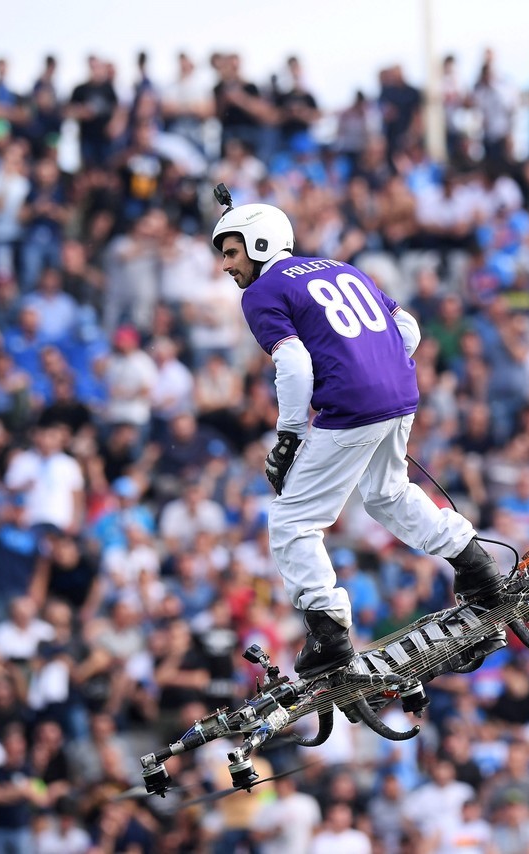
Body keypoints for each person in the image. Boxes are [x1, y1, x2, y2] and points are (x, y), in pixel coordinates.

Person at [211, 193, 503, 677]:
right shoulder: (340, 267)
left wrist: (288, 435)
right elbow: (406, 328)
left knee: (293, 520)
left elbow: (294, 362)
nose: (225, 264)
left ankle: (328, 631)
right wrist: (377, 371)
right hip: (400, 393)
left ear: (261, 243)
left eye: (231, 251)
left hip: (353, 405)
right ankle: (475, 565)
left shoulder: (260, 292)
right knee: (387, 494)